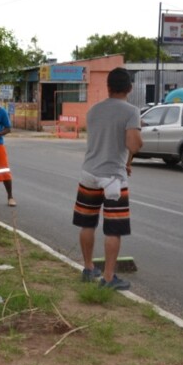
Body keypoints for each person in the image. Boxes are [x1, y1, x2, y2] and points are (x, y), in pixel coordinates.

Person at [72, 67, 143, 290]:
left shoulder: (93, 110)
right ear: (129, 88)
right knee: (113, 229)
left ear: (108, 87)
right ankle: (109, 277)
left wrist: (125, 161)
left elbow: (103, 141)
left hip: (89, 174)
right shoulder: (131, 111)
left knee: (87, 223)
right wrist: (136, 146)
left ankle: (88, 267)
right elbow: (133, 144)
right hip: (113, 179)